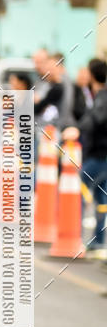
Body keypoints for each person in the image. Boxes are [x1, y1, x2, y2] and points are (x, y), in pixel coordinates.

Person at [63, 58, 107, 260]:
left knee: (77, 190)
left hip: (99, 155)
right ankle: (98, 241)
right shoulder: (97, 96)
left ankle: (74, 236)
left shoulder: (102, 97)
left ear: (92, 75)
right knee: (101, 197)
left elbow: (96, 118)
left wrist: (77, 129)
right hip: (99, 154)